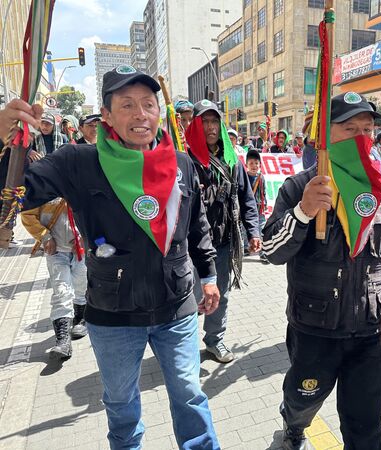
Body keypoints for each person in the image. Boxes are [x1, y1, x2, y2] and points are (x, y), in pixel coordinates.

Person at [6, 66, 222, 449]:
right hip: (113, 314)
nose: (140, 114)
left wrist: (208, 276)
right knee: (122, 406)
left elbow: (196, 228)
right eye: (126, 105)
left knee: (191, 397)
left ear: (158, 111)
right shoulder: (78, 162)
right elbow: (11, 198)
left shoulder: (181, 163)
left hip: (177, 308)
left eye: (148, 104)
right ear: (106, 115)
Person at [263, 92, 381, 450]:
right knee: (302, 400)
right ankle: (293, 426)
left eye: (367, 129)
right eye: (348, 128)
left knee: (366, 426)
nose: (360, 137)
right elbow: (271, 251)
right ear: (325, 133)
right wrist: (303, 213)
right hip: (314, 327)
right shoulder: (300, 186)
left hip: (366, 330)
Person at [185, 99, 261, 363]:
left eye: (214, 121)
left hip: (224, 241)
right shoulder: (185, 160)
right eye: (204, 121)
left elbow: (246, 198)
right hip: (191, 245)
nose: (210, 127)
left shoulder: (232, 159)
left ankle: (214, 341)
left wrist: (254, 232)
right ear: (195, 124)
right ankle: (182, 347)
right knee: (190, 296)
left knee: (220, 296)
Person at [21, 198, 87, 359]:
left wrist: (86, 235)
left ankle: (80, 319)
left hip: (82, 249)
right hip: (56, 252)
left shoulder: (82, 180)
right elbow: (27, 215)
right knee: (62, 291)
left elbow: (97, 211)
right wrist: (44, 236)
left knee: (81, 285)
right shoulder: (43, 188)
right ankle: (63, 341)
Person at [246, 149, 269, 264]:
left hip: (259, 208)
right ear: (247, 165)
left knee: (261, 230)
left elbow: (264, 192)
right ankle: (245, 247)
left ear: (260, 164)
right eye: (251, 163)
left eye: (256, 163)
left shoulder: (262, 177)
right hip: (247, 210)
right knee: (244, 229)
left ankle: (263, 252)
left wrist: (265, 205)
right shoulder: (244, 177)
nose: (254, 166)